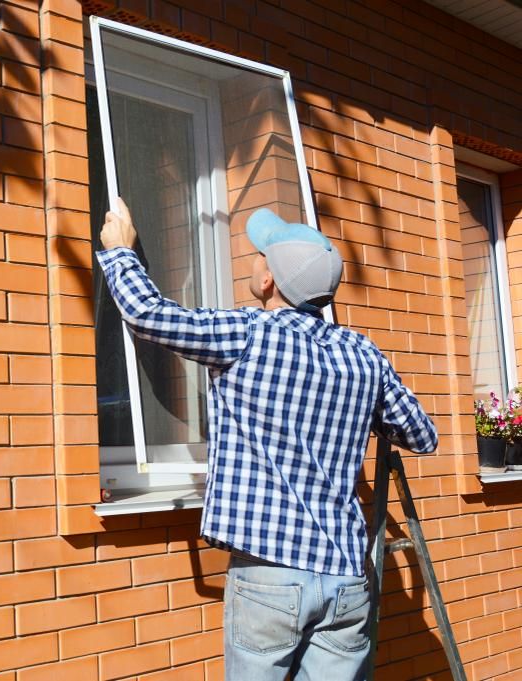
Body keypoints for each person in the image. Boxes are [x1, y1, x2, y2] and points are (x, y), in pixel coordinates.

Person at [97, 198, 437, 681]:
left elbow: (149, 317)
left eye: (259, 256)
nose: (252, 261)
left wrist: (120, 252)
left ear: (268, 281)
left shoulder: (248, 333)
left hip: (269, 578)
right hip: (346, 582)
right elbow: (422, 436)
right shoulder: (363, 353)